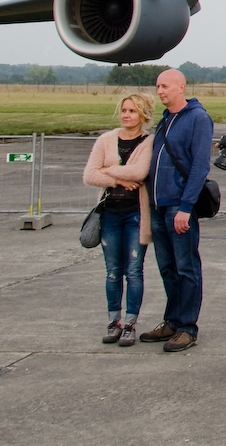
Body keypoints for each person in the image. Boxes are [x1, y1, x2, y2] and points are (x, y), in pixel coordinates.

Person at [139, 70, 212, 352]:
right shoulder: (165, 120)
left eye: (165, 86)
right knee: (168, 268)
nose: (160, 91)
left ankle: (187, 328)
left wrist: (185, 206)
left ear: (181, 87)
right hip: (158, 206)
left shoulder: (197, 118)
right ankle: (172, 319)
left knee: (186, 267)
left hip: (178, 207)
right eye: (158, 86)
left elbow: (199, 166)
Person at [82, 93, 155, 346]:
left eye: (132, 111)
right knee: (113, 272)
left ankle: (131, 323)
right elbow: (89, 175)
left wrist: (106, 170)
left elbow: (140, 171)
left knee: (134, 271)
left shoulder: (149, 142)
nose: (126, 115)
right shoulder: (106, 140)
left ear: (143, 114)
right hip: (110, 213)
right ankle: (113, 321)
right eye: (124, 110)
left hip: (136, 213)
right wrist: (118, 180)